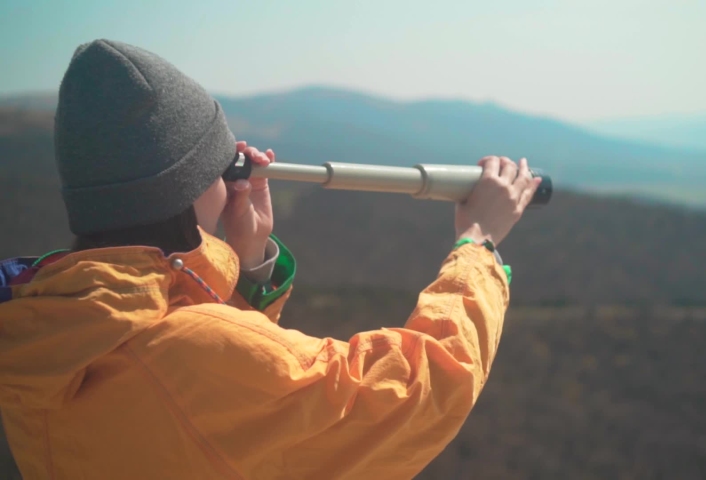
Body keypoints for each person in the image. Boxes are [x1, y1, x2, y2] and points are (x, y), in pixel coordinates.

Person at [0, 39, 541, 479]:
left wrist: (246, 257)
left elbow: (199, 421)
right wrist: (479, 244)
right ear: (190, 184)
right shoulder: (184, 351)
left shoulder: (54, 327)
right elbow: (417, 392)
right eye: (222, 163)